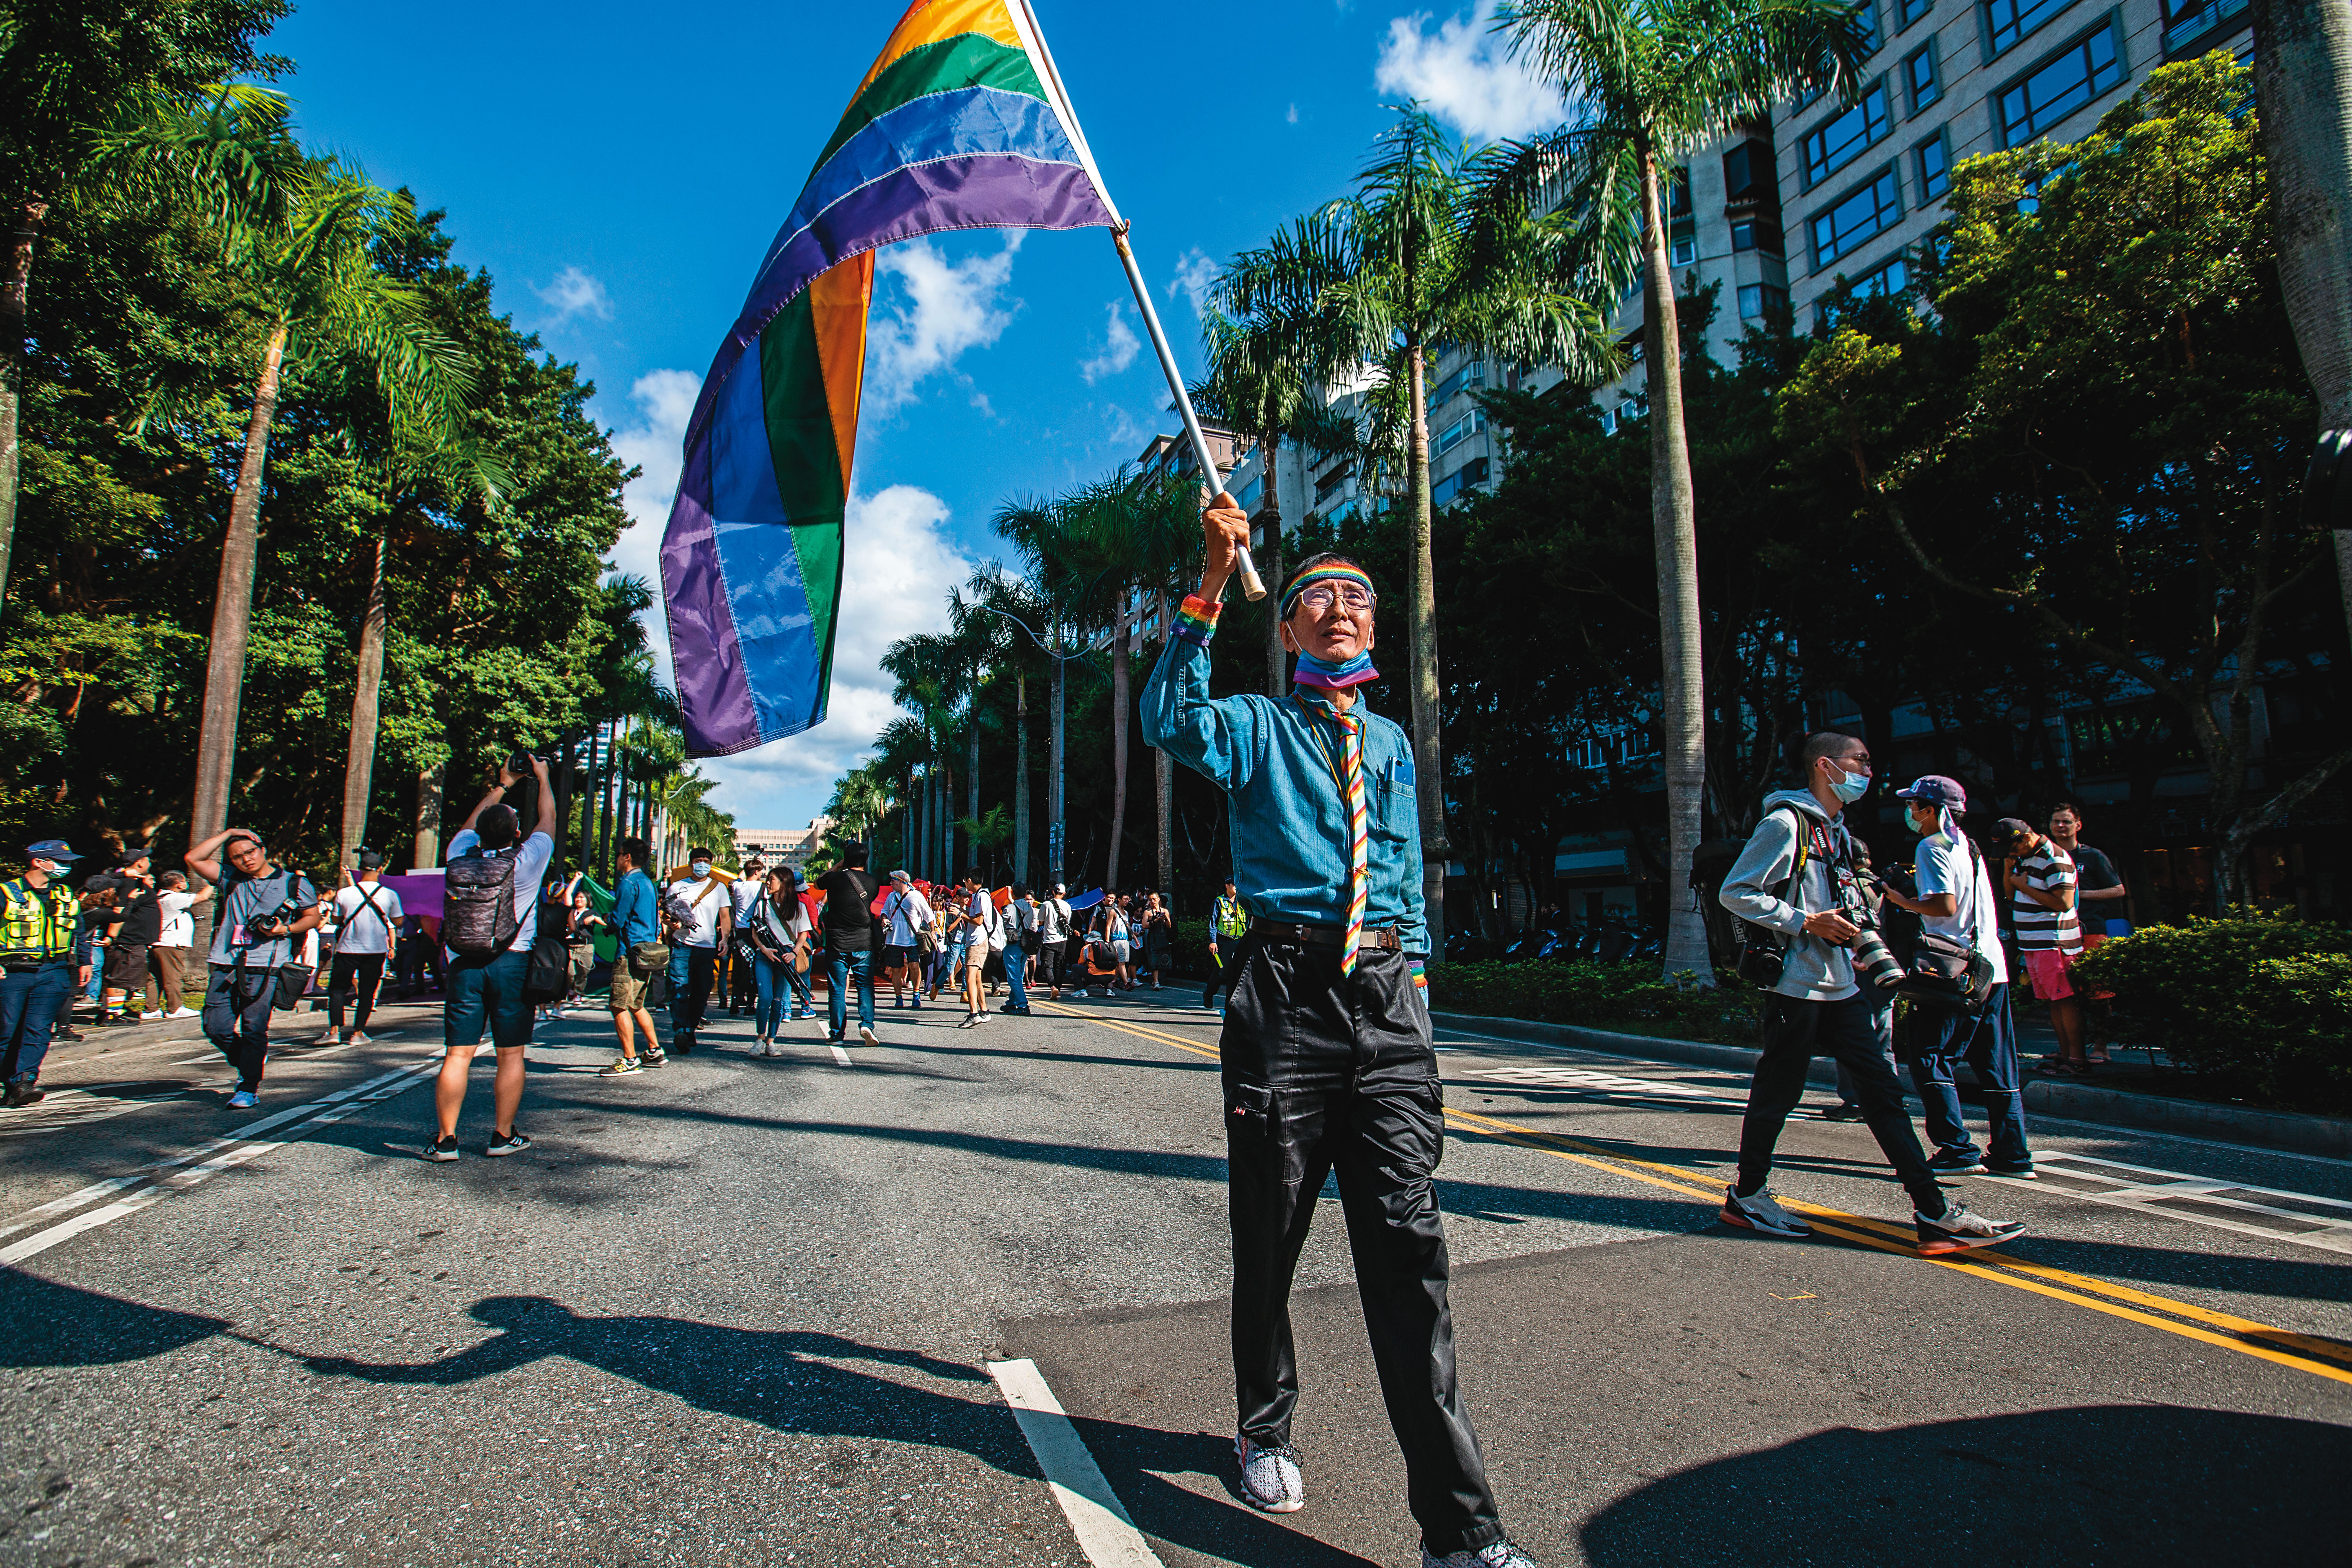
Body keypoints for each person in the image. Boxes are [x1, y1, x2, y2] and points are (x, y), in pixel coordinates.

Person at [1143, 499, 1537, 1568]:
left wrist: (1406, 978)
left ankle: (1464, 1532)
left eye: (1359, 596)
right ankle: (1263, 1422)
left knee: (1412, 1254)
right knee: (1269, 1238)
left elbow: (1398, 868)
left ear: (1375, 627)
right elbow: (1169, 721)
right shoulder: (1257, 727)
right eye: (1318, 592)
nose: (1340, 607)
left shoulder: (1397, 742)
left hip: (1389, 1006)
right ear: (1288, 627)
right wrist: (1211, 583)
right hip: (1285, 999)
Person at [1717, 732, 2025, 1256]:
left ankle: (1933, 1212)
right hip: (1797, 987)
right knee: (1778, 1093)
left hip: (1841, 987)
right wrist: (1804, 921)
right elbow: (1737, 891)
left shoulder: (1838, 833)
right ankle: (1748, 1195)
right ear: (1825, 766)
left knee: (1883, 1094)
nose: (1867, 770)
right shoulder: (1786, 823)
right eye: (1858, 760)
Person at [1881, 777, 2034, 1178]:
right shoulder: (1969, 845)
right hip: (1991, 970)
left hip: (1950, 974)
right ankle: (2013, 1155)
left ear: (1930, 809)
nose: (1910, 813)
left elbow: (1944, 906)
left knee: (1930, 1056)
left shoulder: (1931, 846)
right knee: (1996, 1064)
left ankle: (1956, 1148)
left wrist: (1900, 900)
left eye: (1914, 805)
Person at [427, 757, 555, 1158]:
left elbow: (471, 824)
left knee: (458, 1054)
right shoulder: (527, 859)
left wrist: (503, 784)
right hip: (512, 962)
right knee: (510, 1054)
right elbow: (548, 817)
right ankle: (502, 1135)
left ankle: (446, 1139)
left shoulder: (459, 852)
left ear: (479, 831)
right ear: (518, 833)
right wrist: (543, 777)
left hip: (463, 961)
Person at [184, 827, 323, 1110]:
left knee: (254, 1029)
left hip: (267, 965)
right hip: (227, 962)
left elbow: (313, 917)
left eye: (250, 852)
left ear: (263, 849)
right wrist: (230, 833)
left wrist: (287, 928)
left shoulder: (294, 884)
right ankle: (250, 1059)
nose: (246, 859)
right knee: (215, 1026)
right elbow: (193, 858)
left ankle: (248, 1087)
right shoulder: (231, 879)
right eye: (237, 857)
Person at [1999, 816, 2089, 1074]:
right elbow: (2011, 894)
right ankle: (2064, 1055)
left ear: (2026, 837)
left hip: (2054, 942)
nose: (2011, 853)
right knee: (2053, 1000)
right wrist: (2010, 872)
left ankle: (2077, 1060)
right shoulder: (2025, 857)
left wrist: (2023, 886)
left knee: (2065, 1000)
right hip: (2034, 944)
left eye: (2012, 847)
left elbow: (2064, 903)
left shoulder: (2055, 858)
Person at [1, 840, 87, 1107]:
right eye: (61, 862)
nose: (66, 867)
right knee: (6, 1029)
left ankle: (24, 1082)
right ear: (38, 862)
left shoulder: (64, 893)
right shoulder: (7, 892)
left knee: (38, 1030)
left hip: (54, 971)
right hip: (13, 973)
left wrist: (85, 962)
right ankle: (8, 1081)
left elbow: (78, 930)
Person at [2047, 800, 2125, 1063]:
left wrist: (2078, 896)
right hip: (2056, 934)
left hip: (2090, 930)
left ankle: (2101, 1048)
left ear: (2078, 826)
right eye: (2056, 821)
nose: (2061, 826)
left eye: (2066, 822)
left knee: (2099, 992)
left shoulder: (2093, 856)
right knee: (2063, 993)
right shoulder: (2046, 856)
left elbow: (2118, 890)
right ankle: (2069, 1050)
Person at [600, 837, 668, 1076]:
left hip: (629, 953)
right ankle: (655, 1050)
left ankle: (630, 1059)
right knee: (636, 1004)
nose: (617, 859)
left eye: (619, 854)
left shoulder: (628, 883)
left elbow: (618, 920)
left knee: (619, 1005)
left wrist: (603, 922)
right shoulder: (648, 882)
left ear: (626, 857)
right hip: (647, 952)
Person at [324, 849, 402, 1045]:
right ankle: (357, 1033)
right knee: (367, 991)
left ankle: (334, 1031)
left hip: (347, 948)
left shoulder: (344, 893)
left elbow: (335, 919)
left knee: (337, 989)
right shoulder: (389, 895)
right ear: (381, 869)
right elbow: (398, 921)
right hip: (375, 950)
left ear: (360, 869)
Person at [661, 849, 731, 1054]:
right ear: (691, 863)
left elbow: (725, 916)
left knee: (702, 991)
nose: (703, 864)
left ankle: (690, 1028)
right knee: (679, 987)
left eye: (706, 861)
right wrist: (671, 925)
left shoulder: (719, 888)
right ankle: (680, 1030)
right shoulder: (677, 886)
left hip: (707, 947)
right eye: (699, 861)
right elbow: (667, 914)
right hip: (682, 945)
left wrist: (725, 939)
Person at [816, 842, 882, 1047]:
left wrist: (839, 866)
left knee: (837, 988)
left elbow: (819, 882)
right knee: (865, 986)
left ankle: (837, 1034)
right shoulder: (873, 882)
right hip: (863, 941)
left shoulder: (835, 879)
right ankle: (867, 1025)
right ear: (866, 859)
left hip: (837, 943)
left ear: (846, 859)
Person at [99, 849, 162, 1026]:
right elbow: (119, 910)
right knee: (122, 977)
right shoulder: (130, 883)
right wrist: (112, 936)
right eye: (147, 859)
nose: (150, 863)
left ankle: (107, 1012)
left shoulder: (132, 882)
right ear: (140, 863)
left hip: (132, 941)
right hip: (128, 942)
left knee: (120, 976)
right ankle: (113, 1015)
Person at [149, 869, 208, 1020]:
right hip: (171, 944)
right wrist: (214, 882)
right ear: (178, 884)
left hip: (158, 942)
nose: (186, 883)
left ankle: (151, 1009)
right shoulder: (174, 898)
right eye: (185, 881)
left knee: (155, 978)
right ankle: (175, 1008)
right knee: (173, 977)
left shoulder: (158, 897)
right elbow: (203, 897)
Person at [880, 870, 933, 1009]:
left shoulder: (916, 896)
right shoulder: (891, 897)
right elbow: (884, 911)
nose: (891, 883)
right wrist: (884, 919)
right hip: (893, 939)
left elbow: (929, 915)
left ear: (902, 882)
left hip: (912, 939)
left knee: (914, 965)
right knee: (896, 969)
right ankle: (899, 998)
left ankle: (916, 995)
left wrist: (933, 931)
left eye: (893, 881)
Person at [953, 869, 999, 1028]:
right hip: (976, 941)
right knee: (977, 978)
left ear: (970, 880)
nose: (965, 884)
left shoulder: (982, 896)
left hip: (977, 942)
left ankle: (974, 1014)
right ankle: (984, 1012)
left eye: (965, 881)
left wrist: (961, 914)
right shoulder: (981, 895)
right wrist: (962, 911)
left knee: (970, 976)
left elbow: (979, 921)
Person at [1205, 876, 1249, 1011]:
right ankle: (1209, 994)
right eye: (1234, 885)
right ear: (1227, 886)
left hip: (1240, 940)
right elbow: (1212, 923)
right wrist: (1213, 942)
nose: (1236, 887)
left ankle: (1230, 1005)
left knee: (1238, 972)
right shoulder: (1219, 902)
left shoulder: (1242, 901)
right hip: (1224, 942)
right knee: (1221, 971)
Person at [1003, 884, 1036, 1016]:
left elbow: (1002, 924)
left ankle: (1023, 1005)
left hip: (1013, 943)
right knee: (1019, 974)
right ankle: (1012, 1002)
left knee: (1013, 977)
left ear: (1013, 892)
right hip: (1026, 944)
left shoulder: (1010, 908)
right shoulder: (1031, 908)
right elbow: (1034, 926)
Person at [1036, 883, 1070, 1002]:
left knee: (1047, 965)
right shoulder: (1067, 906)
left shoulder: (1046, 904)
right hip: (1063, 940)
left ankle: (1053, 986)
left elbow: (1040, 922)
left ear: (1053, 892)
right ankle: (1058, 990)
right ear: (1064, 894)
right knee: (1059, 965)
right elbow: (1068, 922)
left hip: (1049, 939)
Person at [1138, 891, 1173, 990]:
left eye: (1154, 899)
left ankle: (1158, 980)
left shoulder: (1165, 911)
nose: (1152, 901)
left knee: (1163, 959)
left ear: (1159, 900)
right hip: (1153, 937)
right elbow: (1144, 925)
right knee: (1154, 960)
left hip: (1163, 936)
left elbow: (1169, 926)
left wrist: (1166, 919)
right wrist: (1156, 920)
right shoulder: (1148, 912)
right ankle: (1156, 981)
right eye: (1150, 900)